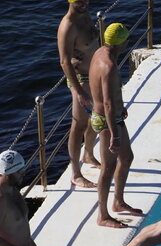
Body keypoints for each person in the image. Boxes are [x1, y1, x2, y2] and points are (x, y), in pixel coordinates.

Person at [89, 22, 143, 228]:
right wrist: (114, 135)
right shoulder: (110, 66)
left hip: (111, 117)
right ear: (122, 43)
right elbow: (108, 103)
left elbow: (111, 98)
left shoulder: (99, 53)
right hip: (106, 121)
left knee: (126, 157)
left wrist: (122, 107)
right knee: (108, 166)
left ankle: (118, 201)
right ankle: (102, 215)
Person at [58, 0, 100, 188]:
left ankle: (88, 154)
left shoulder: (86, 14)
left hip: (95, 75)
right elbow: (65, 62)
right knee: (79, 124)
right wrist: (78, 90)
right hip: (81, 79)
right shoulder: (68, 26)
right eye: (79, 0)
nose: (83, 3)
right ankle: (75, 173)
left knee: (95, 118)